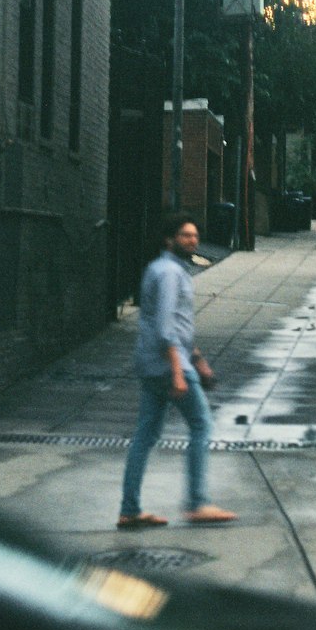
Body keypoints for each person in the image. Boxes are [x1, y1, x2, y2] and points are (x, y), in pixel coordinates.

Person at [117, 212, 237, 529]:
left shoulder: (162, 269)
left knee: (145, 435)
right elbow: (167, 326)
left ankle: (130, 509)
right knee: (201, 425)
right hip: (169, 366)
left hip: (153, 363)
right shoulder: (170, 273)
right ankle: (197, 502)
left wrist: (198, 359)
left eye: (195, 235)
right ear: (169, 239)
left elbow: (179, 328)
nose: (193, 240)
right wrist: (180, 372)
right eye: (186, 235)